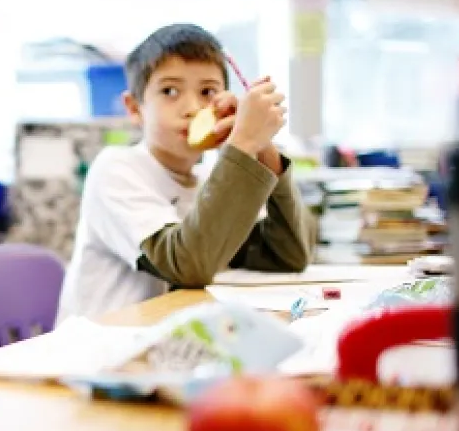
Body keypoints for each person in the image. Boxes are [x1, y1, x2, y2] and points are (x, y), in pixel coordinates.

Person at [57, 23, 316, 322]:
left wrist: (262, 148)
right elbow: (187, 264)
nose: (192, 108)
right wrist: (242, 144)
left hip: (171, 348)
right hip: (100, 350)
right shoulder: (116, 169)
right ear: (134, 108)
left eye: (208, 92)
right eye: (169, 91)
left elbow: (286, 256)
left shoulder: (210, 178)